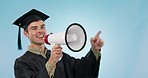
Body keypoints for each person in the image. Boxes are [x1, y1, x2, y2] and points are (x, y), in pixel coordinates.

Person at [13, 9, 104, 78]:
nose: (40, 31)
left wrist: (95, 50)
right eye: (34, 28)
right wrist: (52, 62)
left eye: (42, 27)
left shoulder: (60, 56)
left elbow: (83, 71)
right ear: (26, 33)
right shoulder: (22, 63)